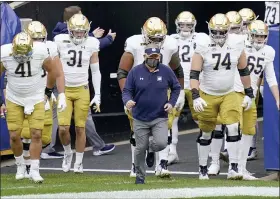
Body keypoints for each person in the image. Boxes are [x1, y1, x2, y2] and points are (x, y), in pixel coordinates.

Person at [43, 6, 116, 159]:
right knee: (82, 117)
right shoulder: (62, 38)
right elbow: (82, 45)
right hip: (67, 82)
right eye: (80, 16)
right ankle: (97, 145)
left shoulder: (61, 35)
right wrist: (105, 39)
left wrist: (91, 36)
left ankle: (47, 147)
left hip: (66, 81)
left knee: (58, 115)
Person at [117, 17, 185, 178]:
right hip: (138, 91)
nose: (156, 42)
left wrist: (180, 91)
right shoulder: (134, 44)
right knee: (137, 131)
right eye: (153, 38)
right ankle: (135, 165)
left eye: (159, 39)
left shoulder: (169, 44)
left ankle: (162, 164)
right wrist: (126, 96)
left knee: (164, 128)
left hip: (161, 90)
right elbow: (122, 72)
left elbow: (178, 70)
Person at [190, 13, 254, 180]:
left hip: (228, 93)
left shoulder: (236, 43)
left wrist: (249, 93)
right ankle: (203, 168)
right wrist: (196, 95)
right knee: (206, 132)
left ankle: (233, 167)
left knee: (233, 128)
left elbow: (243, 70)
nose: (218, 36)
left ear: (227, 31)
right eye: (215, 32)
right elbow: (194, 74)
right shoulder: (202, 44)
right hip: (207, 94)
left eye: (221, 32)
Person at [0, 32, 58, 183]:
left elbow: (53, 71)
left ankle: (34, 170)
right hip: (14, 98)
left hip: (36, 97)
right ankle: (20, 166)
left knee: (37, 134)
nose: (22, 57)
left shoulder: (40, 50)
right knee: (14, 135)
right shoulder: (4, 53)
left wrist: (48, 91)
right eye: (19, 53)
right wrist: (1, 99)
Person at [122, 46, 181, 184]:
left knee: (161, 143)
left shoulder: (166, 71)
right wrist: (128, 101)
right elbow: (127, 90)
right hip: (140, 116)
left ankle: (151, 150)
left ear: (159, 57)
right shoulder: (135, 72)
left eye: (156, 57)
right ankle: (140, 176)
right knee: (139, 149)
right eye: (151, 57)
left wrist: (171, 102)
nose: (153, 59)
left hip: (159, 115)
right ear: (144, 57)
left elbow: (176, 87)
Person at [54, 13, 101, 173]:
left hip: (82, 88)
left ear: (87, 30)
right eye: (76, 31)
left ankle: (79, 162)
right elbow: (52, 67)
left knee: (81, 128)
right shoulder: (59, 41)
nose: (79, 34)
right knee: (63, 128)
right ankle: (68, 153)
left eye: (82, 31)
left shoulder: (92, 43)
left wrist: (98, 94)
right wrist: (49, 91)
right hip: (65, 89)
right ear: (69, 30)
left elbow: (95, 71)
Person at [19, 21, 66, 178]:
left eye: (41, 38)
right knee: (26, 133)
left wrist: (61, 93)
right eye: (35, 38)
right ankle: (28, 167)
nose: (38, 41)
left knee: (43, 137)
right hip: (24, 93)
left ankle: (30, 164)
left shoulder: (51, 48)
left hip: (44, 94)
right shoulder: (19, 46)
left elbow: (57, 72)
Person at [235, 20, 279, 180]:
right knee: (234, 129)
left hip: (250, 94)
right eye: (257, 35)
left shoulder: (269, 51)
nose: (260, 39)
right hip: (236, 90)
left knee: (248, 130)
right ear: (250, 35)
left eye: (262, 36)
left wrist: (277, 98)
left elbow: (271, 77)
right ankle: (233, 168)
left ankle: (241, 168)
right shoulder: (240, 45)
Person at [168, 11, 198, 165]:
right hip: (177, 84)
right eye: (182, 25)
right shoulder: (171, 39)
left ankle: (213, 148)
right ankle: (172, 151)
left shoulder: (201, 39)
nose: (185, 28)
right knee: (172, 118)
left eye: (188, 25)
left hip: (195, 84)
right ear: (177, 25)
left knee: (202, 118)